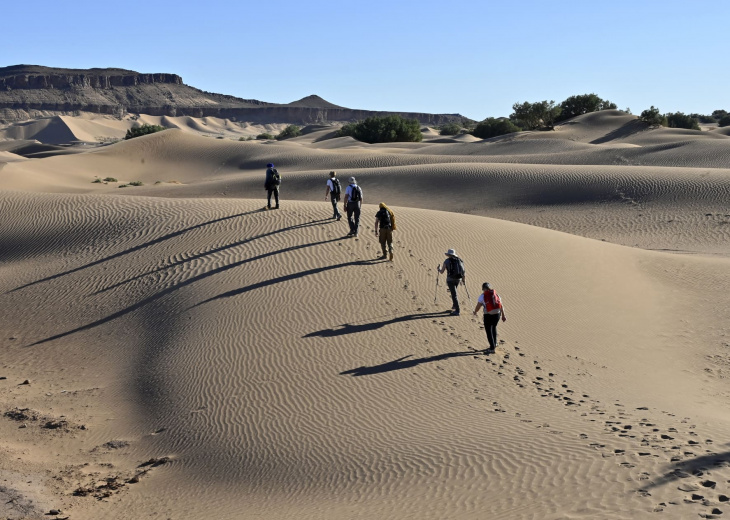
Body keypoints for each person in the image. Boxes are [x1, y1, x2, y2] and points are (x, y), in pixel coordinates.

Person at [473, 282, 507, 352]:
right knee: (494, 327)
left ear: (483, 289)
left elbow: (478, 306)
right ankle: (495, 343)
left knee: (488, 330)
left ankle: (492, 348)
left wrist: (475, 312)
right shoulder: (496, 295)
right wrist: (503, 315)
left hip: (488, 315)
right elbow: (501, 306)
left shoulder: (482, 296)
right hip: (497, 314)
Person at [438, 249, 465, 316]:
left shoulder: (447, 261)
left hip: (450, 279)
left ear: (448, 255)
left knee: (454, 295)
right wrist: (463, 280)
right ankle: (454, 306)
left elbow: (441, 272)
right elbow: (463, 272)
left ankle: (457, 311)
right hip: (458, 279)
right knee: (454, 292)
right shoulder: (460, 260)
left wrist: (438, 269)